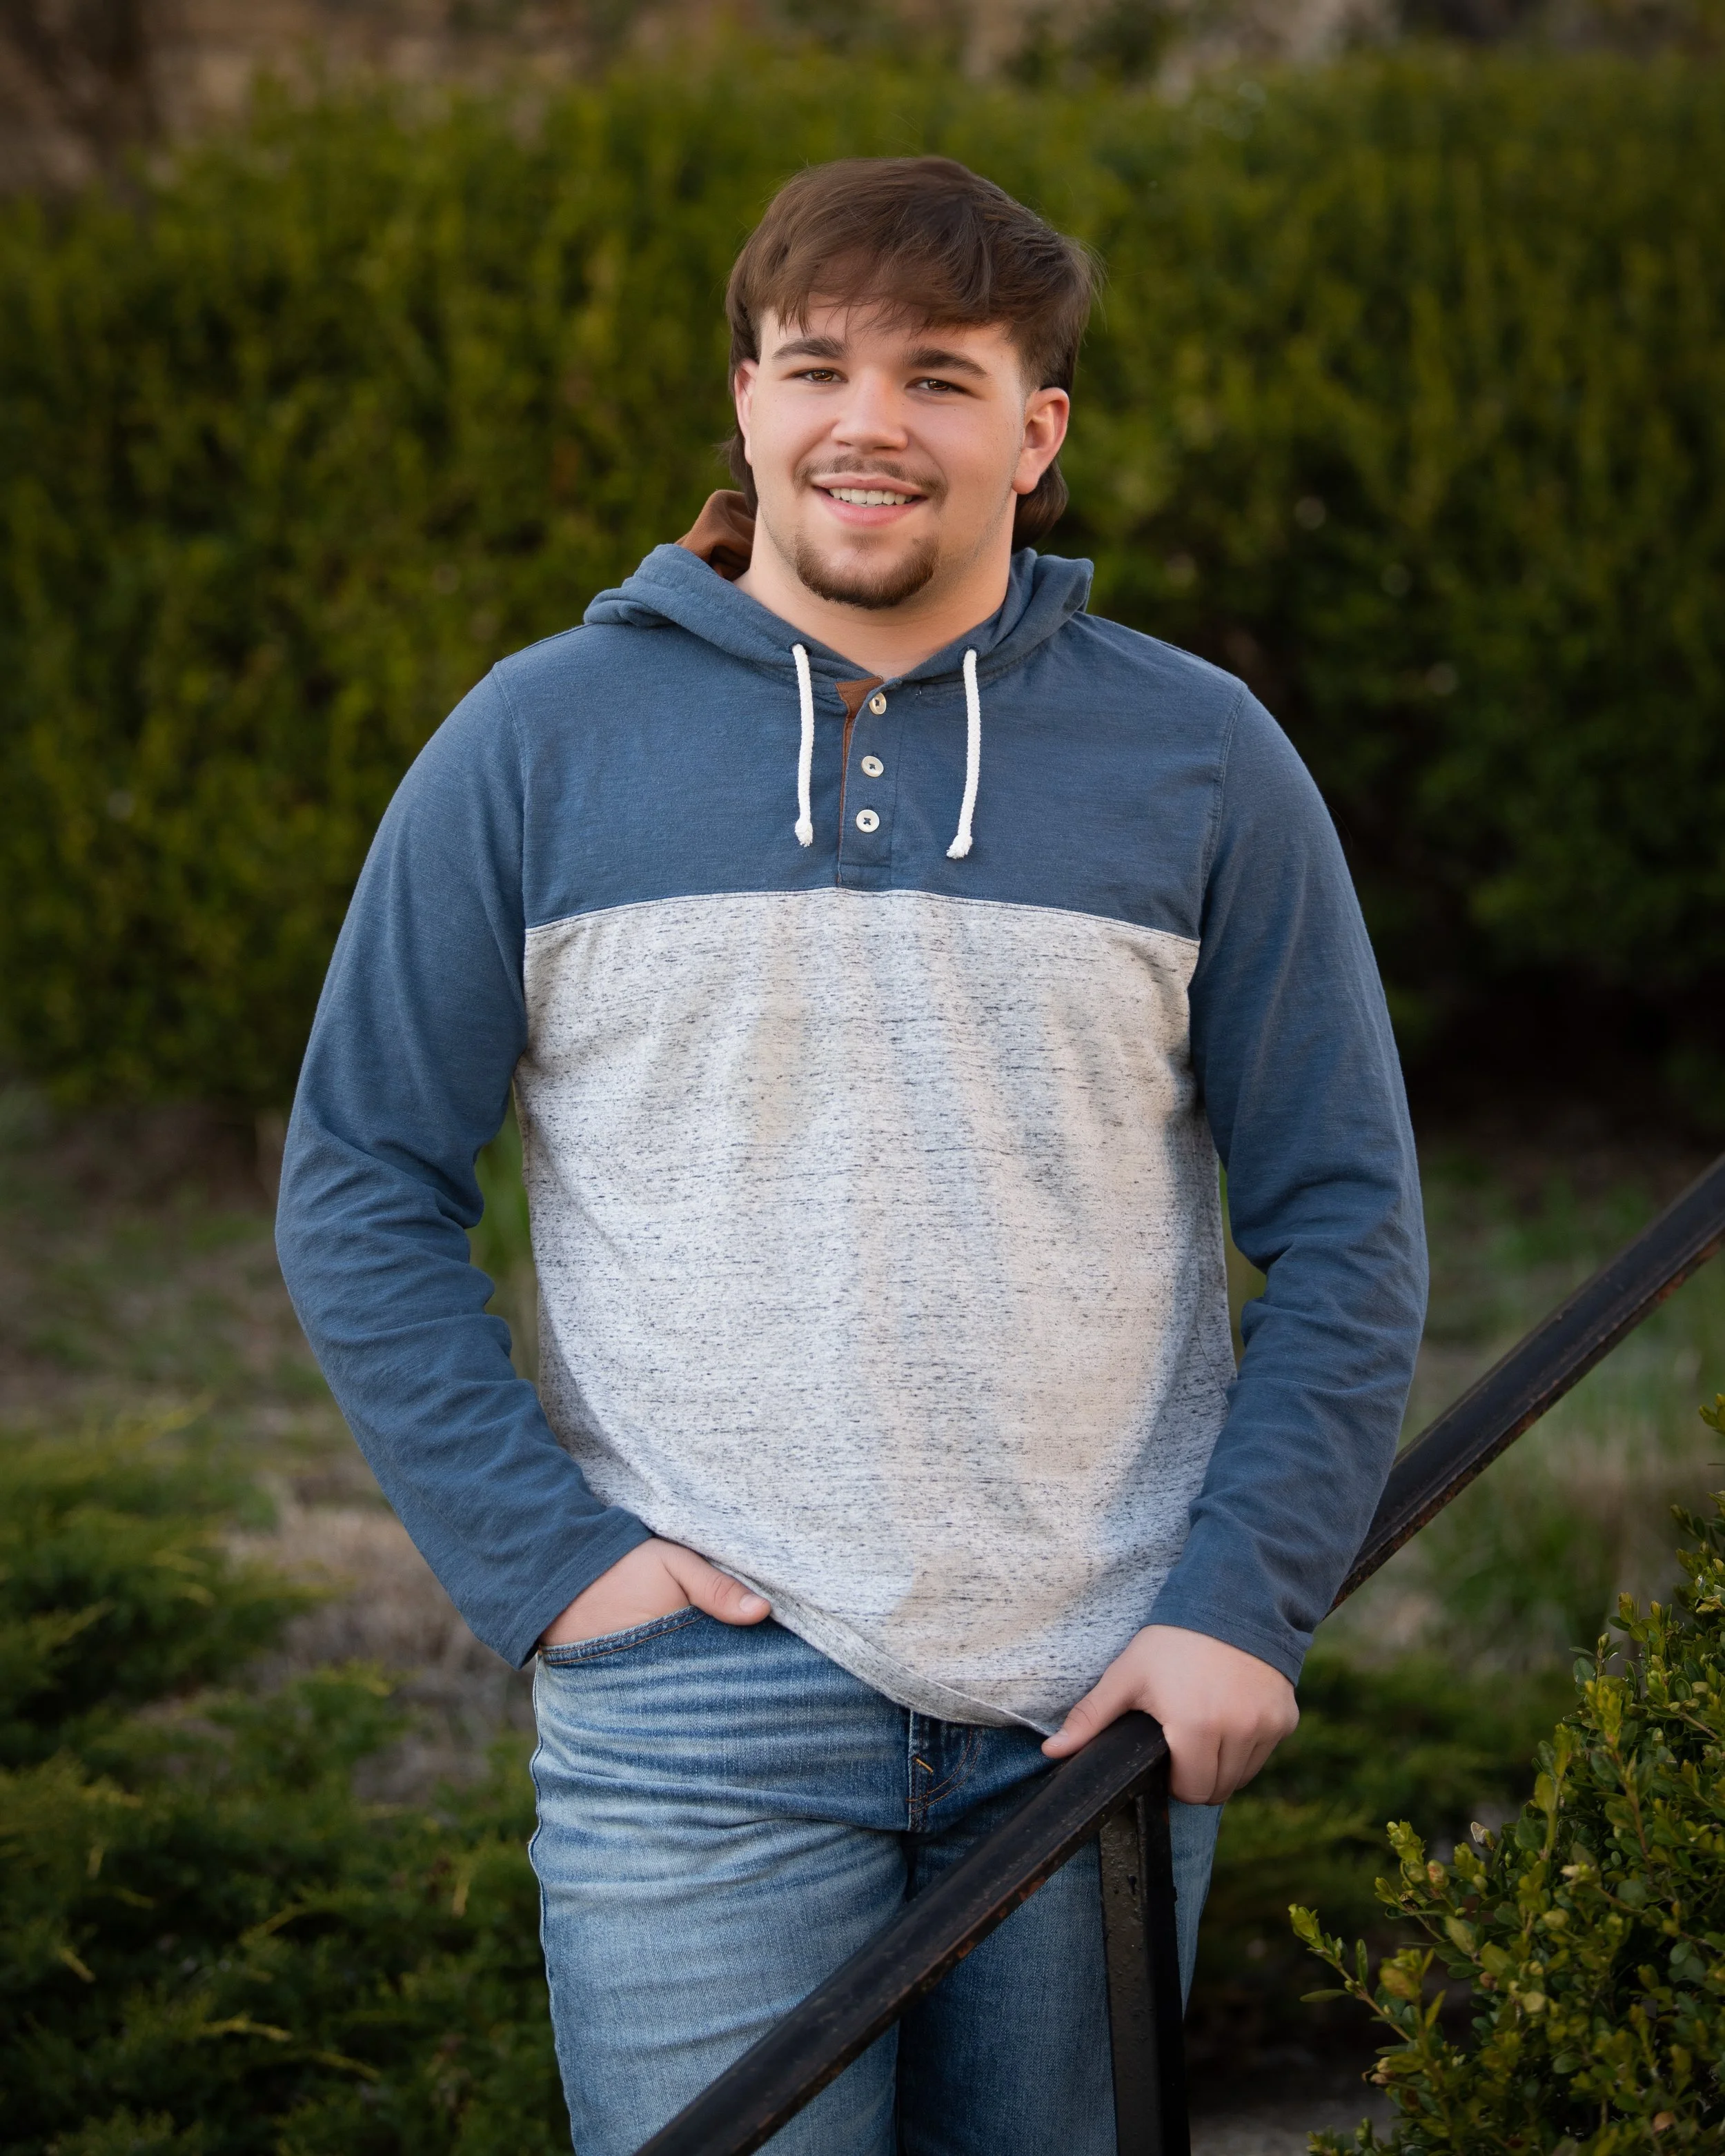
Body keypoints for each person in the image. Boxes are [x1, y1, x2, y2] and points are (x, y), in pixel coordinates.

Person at [276, 156, 1426, 2155]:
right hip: (699, 1708)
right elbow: (359, 1175)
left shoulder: (1205, 756)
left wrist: (1243, 1599)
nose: (867, 424)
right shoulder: (533, 742)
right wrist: (558, 1573)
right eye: (816, 367)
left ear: (1035, 429)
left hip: (1094, 1708)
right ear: (744, 401)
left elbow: (1345, 1211)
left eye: (941, 377)